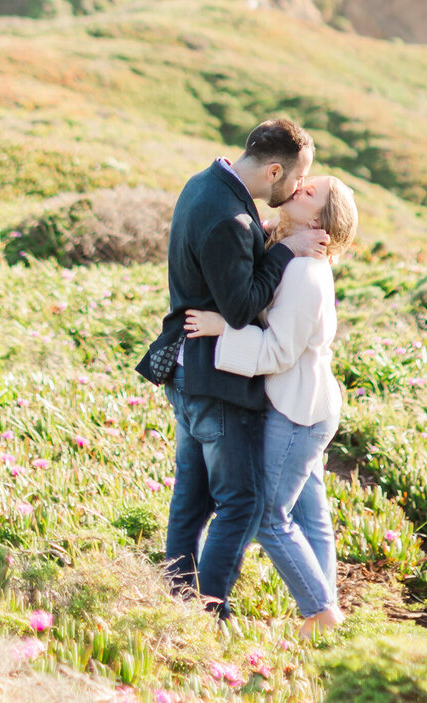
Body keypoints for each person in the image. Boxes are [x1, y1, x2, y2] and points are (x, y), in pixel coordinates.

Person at [136, 118, 329, 618]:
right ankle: (206, 612)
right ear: (272, 170)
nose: (297, 188)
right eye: (294, 178)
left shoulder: (205, 183)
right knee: (240, 503)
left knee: (192, 501)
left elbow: (227, 259)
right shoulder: (230, 219)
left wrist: (266, 235)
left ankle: (177, 601)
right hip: (213, 380)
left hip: (188, 372)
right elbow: (241, 307)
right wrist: (285, 249)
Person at [185, 172, 358, 638]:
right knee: (308, 511)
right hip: (306, 400)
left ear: (320, 219)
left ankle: (319, 610)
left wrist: (224, 329)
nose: (299, 186)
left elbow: (279, 352)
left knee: (269, 515)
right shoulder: (291, 252)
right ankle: (326, 611)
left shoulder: (305, 272)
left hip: (299, 410)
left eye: (311, 191)